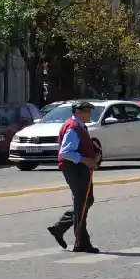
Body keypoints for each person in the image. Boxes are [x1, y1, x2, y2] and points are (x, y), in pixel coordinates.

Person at [47, 101, 101, 253]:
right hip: (74, 168)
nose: (90, 114)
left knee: (85, 201)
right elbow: (66, 152)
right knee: (82, 203)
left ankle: (59, 228)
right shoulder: (73, 128)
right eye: (87, 111)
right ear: (78, 112)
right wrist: (86, 160)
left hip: (80, 168)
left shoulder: (79, 126)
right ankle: (81, 242)